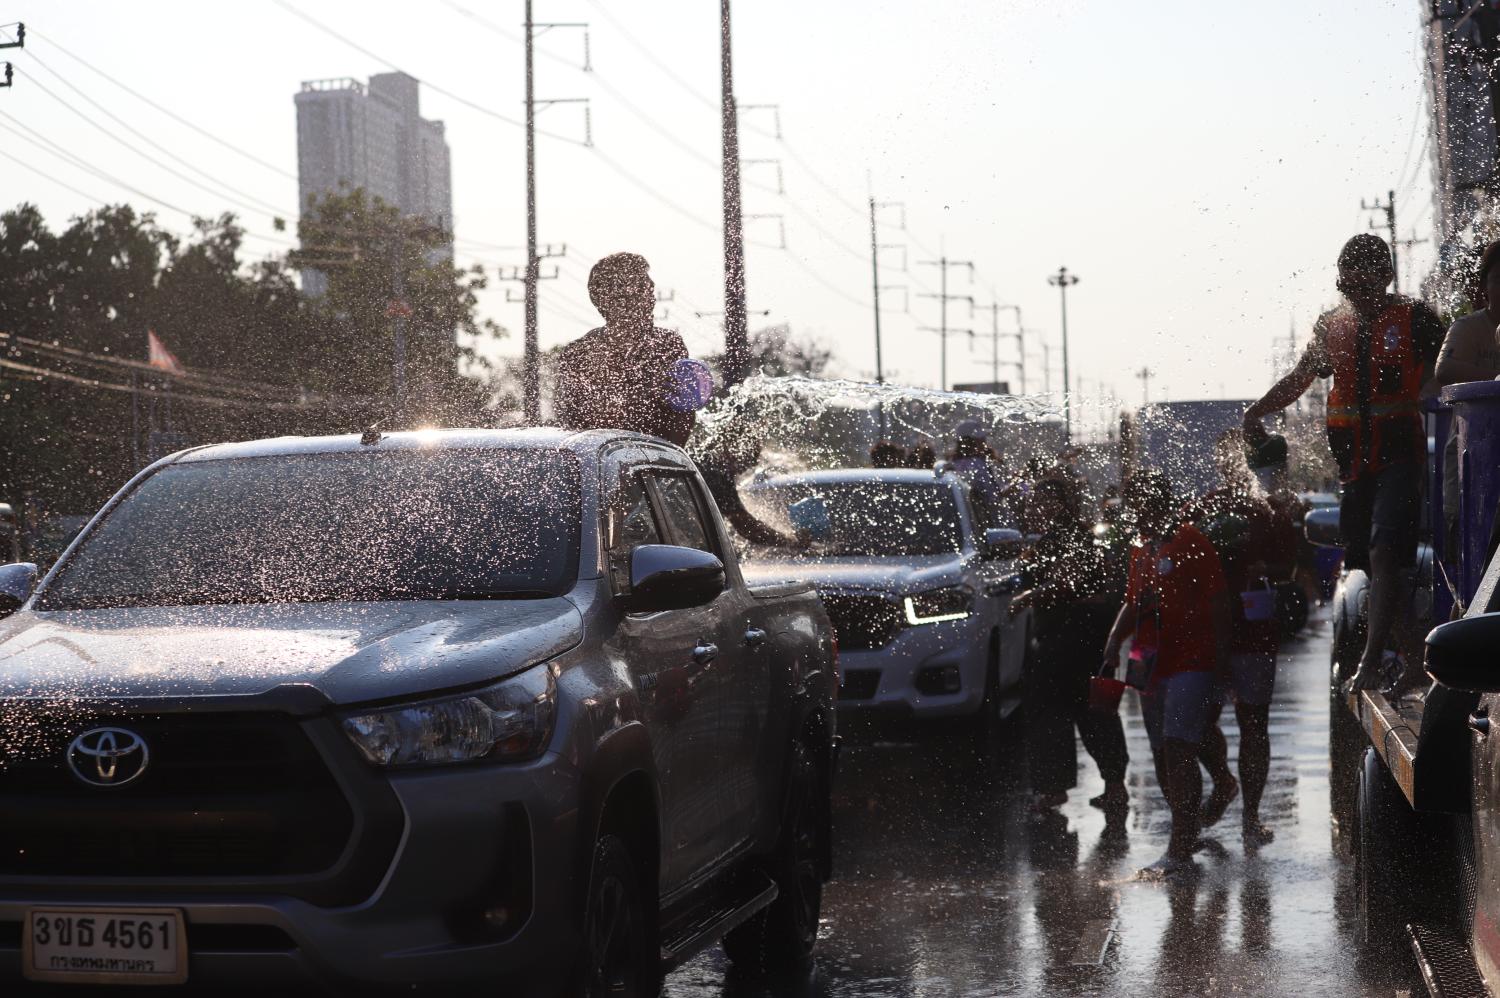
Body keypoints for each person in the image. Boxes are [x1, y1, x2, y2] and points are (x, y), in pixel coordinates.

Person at [1242, 234, 1444, 691]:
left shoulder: (1415, 319)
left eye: (1365, 284)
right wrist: (1257, 410)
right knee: (1369, 566)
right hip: (1356, 465)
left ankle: (1371, 663)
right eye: (1348, 285)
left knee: (1383, 551)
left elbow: (1448, 368)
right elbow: (1300, 378)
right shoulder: (1332, 325)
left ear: (1386, 278)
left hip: (1401, 459)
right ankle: (1413, 655)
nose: (1356, 294)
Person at [1103, 470, 1231, 875]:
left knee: (1178, 749)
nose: (1135, 511)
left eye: (1140, 501)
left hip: (1190, 658)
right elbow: (1133, 602)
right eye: (1131, 503)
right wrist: (1112, 643)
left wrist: (1221, 663)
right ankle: (1186, 834)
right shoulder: (1140, 548)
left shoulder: (1191, 541)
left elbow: (1220, 602)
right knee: (1160, 753)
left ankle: (1179, 850)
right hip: (1145, 657)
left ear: (1158, 502)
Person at [1179, 431, 1297, 846]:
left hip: (1253, 631)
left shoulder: (1270, 510)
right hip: (1207, 631)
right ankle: (1223, 781)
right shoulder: (1201, 508)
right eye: (1225, 459)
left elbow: (1290, 567)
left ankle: (1251, 817)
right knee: (1196, 723)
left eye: (1239, 459)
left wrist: (1270, 567)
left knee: (1254, 724)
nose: (1232, 465)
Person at [1013, 474, 1130, 817]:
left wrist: (1027, 596)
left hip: (1069, 641)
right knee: (1089, 712)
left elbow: (1068, 582)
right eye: (1036, 501)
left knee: (1063, 713)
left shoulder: (1069, 536)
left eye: (1043, 501)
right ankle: (1109, 788)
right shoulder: (1060, 536)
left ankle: (1059, 789)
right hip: (1073, 640)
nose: (1036, 507)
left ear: (1061, 503)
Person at [554, 252, 694, 446]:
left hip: (659, 464)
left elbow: (682, 423)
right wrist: (651, 392)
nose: (652, 301)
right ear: (613, 301)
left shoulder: (667, 345)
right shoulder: (579, 355)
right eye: (643, 292)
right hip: (601, 465)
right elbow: (575, 427)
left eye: (650, 293)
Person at [949, 420, 1006, 527]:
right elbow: (993, 497)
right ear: (970, 441)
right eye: (980, 439)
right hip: (983, 523)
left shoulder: (954, 463)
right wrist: (1014, 486)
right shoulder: (977, 464)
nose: (984, 441)